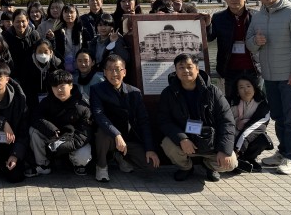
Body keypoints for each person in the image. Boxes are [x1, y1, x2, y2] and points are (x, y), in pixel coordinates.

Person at [246, 0, 291, 175]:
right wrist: (256, 41)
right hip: (270, 76)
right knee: (279, 117)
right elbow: (249, 43)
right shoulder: (257, 16)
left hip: (290, 75)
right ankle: (282, 153)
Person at [158, 54, 237, 182]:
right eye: (181, 67)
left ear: (197, 68)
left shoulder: (213, 91)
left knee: (230, 163)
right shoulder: (168, 93)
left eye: (189, 67)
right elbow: (164, 121)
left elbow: (227, 121)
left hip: (210, 139)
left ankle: (210, 166)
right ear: (175, 70)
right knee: (168, 144)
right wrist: (182, 138)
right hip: (186, 138)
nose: (186, 71)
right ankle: (186, 168)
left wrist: (224, 150)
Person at [90, 55, 159, 183]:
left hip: (128, 138)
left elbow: (144, 121)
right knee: (102, 133)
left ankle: (120, 156)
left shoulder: (135, 92)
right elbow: (99, 115)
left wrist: (150, 148)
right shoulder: (97, 90)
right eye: (110, 69)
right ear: (104, 72)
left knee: (151, 166)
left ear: (124, 72)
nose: (114, 73)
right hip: (108, 136)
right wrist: (116, 134)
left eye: (117, 69)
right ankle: (102, 166)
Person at [28, 70, 93, 176]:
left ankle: (78, 165)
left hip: (73, 139)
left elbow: (84, 135)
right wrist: (50, 129)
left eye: (62, 86)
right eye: (55, 86)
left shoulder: (82, 106)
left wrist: (58, 148)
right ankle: (43, 165)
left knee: (83, 155)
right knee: (33, 131)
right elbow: (35, 117)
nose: (59, 90)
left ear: (71, 85)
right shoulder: (47, 101)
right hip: (53, 137)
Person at [206, 0, 259, 99]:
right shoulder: (218, 17)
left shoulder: (256, 16)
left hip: (254, 68)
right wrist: (207, 25)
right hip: (229, 68)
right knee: (231, 103)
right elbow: (209, 38)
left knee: (255, 104)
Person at [229, 74, 273, 174]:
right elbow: (227, 124)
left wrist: (238, 150)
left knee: (263, 140)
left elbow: (252, 129)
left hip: (248, 137)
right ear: (237, 91)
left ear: (254, 87)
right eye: (241, 87)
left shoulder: (263, 105)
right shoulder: (231, 103)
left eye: (248, 86)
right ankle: (238, 161)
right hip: (233, 136)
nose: (246, 90)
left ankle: (245, 158)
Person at [17, 39, 64, 111]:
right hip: (32, 101)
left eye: (46, 52)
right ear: (35, 52)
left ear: (51, 52)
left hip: (52, 100)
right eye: (40, 51)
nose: (43, 54)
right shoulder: (28, 64)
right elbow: (25, 84)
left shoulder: (57, 64)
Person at [2, 8, 42, 75]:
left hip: (31, 72)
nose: (20, 25)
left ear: (28, 21)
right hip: (12, 72)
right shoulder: (6, 35)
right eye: (17, 21)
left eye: (23, 21)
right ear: (13, 22)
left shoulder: (34, 34)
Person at [53, 4, 84, 72]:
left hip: (80, 65)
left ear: (76, 14)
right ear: (62, 14)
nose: (69, 15)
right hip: (63, 65)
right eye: (66, 12)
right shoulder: (57, 31)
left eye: (71, 12)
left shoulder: (82, 30)